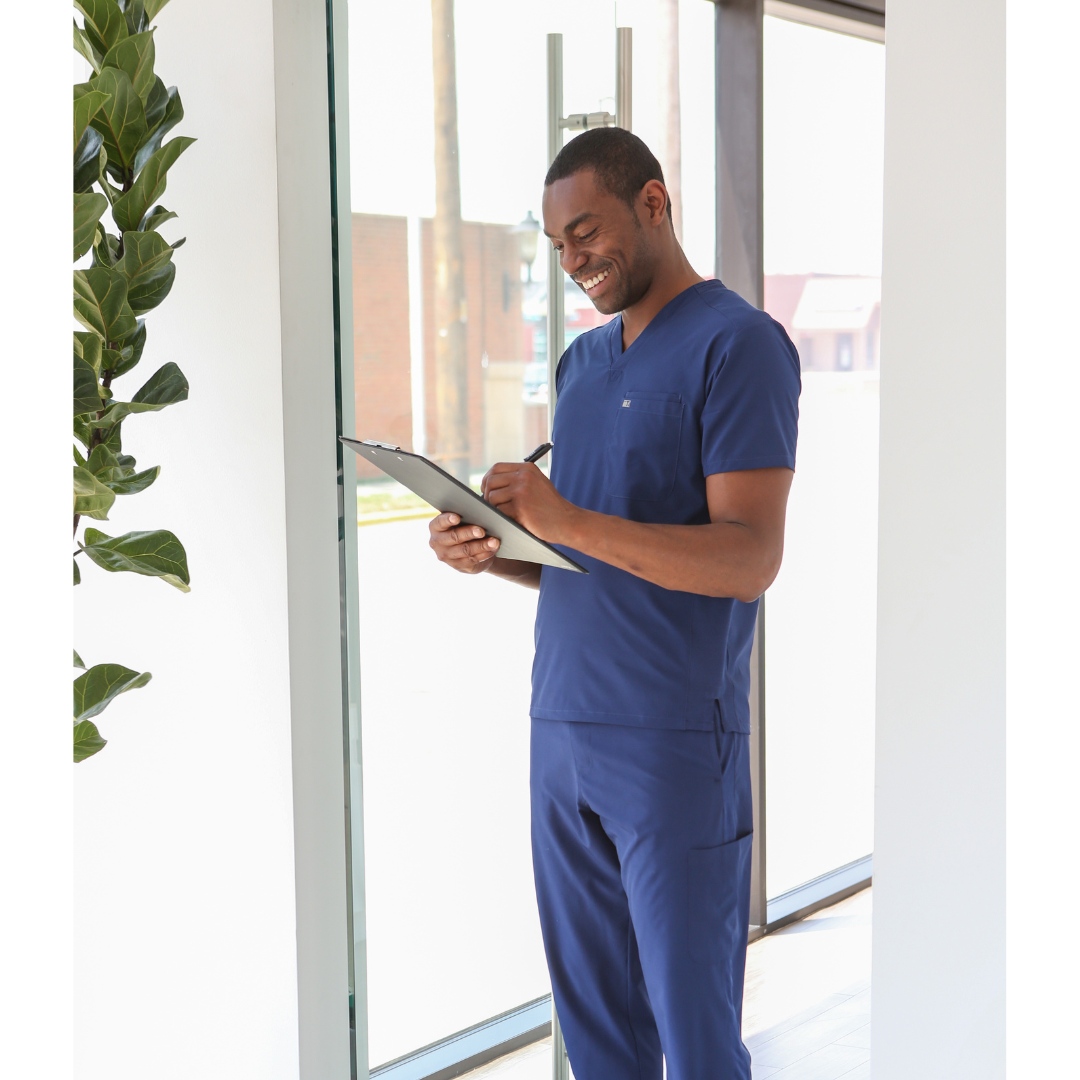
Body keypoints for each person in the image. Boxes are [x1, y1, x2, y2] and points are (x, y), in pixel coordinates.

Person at [428, 127, 800, 1080]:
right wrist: (497, 550)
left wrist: (562, 516)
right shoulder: (581, 367)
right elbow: (579, 556)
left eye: (586, 230)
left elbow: (750, 556)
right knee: (595, 1038)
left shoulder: (741, 345)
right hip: (561, 732)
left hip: (673, 742)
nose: (573, 260)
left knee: (696, 1040)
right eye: (556, 245)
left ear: (654, 204)